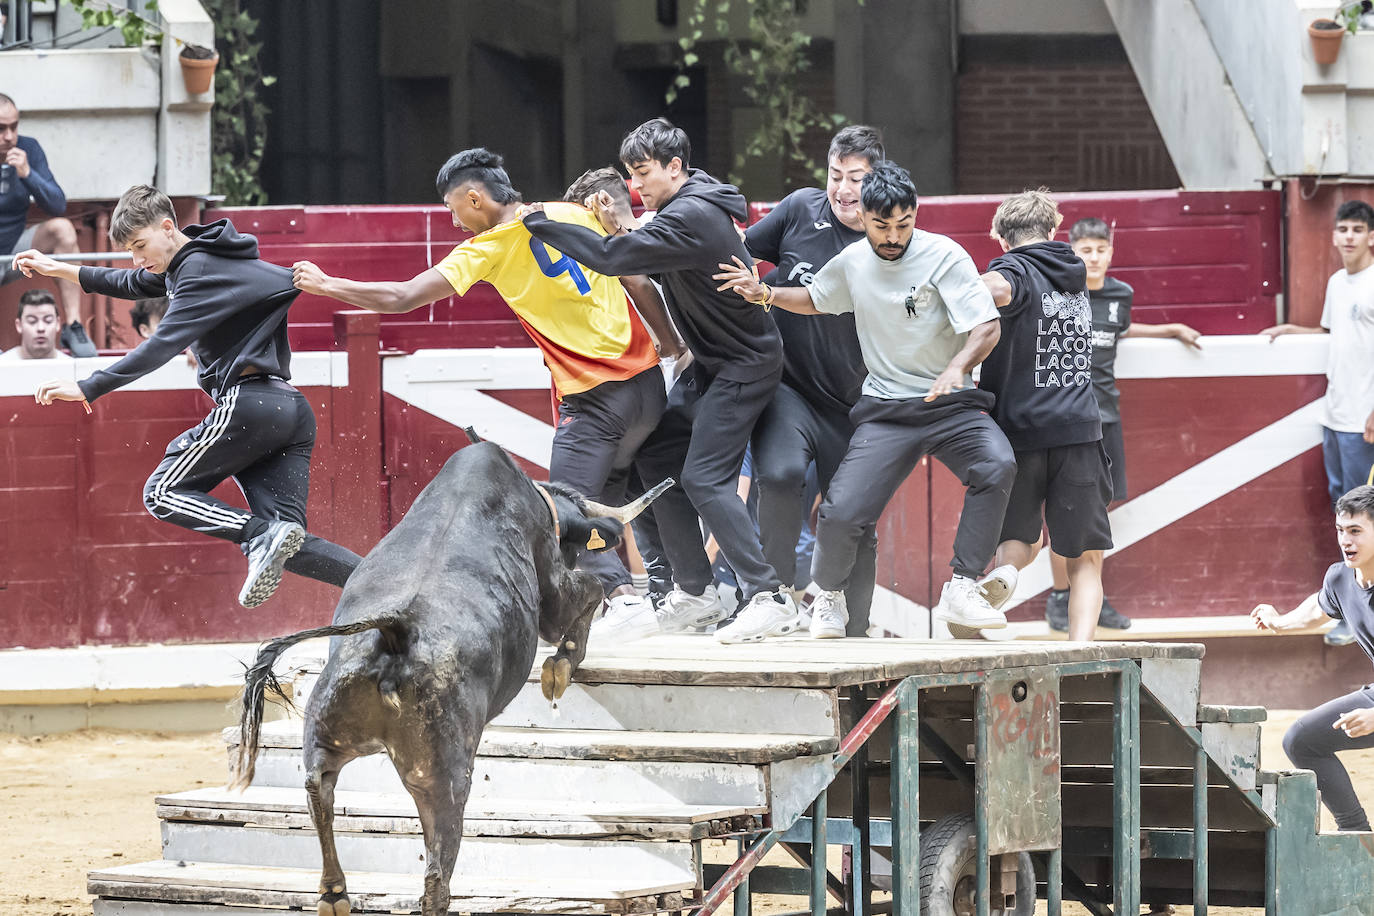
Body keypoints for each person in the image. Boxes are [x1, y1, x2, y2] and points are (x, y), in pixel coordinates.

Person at [291, 149, 673, 626]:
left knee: (564, 513)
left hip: (594, 397)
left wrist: (329, 285)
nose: (454, 222)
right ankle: (673, 594)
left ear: (476, 198)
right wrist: (673, 345)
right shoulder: (572, 212)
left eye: (454, 209)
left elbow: (403, 296)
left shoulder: (489, 247)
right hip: (648, 384)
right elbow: (637, 279)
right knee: (625, 492)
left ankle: (621, 601)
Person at [14, 183, 362, 608]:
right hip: (288, 409)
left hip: (247, 404)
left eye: (141, 246)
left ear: (167, 227)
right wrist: (58, 268)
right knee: (289, 544)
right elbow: (129, 282)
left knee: (161, 493)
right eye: (131, 251)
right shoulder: (200, 261)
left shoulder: (196, 272)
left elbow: (160, 345)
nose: (139, 260)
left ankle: (257, 536)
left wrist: (89, 385)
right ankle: (383, 583)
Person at [521, 118, 797, 644]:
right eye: (629, 174)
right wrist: (623, 230)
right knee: (654, 452)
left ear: (675, 167)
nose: (635, 185)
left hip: (744, 365)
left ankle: (769, 596)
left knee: (705, 477)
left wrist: (540, 223)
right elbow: (639, 248)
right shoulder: (686, 205)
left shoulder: (689, 214)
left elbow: (610, 259)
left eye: (643, 172)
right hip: (712, 363)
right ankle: (695, 592)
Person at [716, 161, 1018, 638]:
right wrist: (767, 293)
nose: (894, 236)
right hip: (888, 410)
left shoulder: (945, 255)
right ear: (864, 217)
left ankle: (963, 586)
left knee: (997, 464)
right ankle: (829, 597)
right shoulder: (854, 261)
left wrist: (959, 365)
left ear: (915, 215)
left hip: (949, 403)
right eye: (883, 226)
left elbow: (987, 324)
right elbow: (816, 298)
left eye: (904, 224)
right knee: (840, 513)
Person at [741, 125, 883, 637]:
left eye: (857, 179)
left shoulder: (887, 236)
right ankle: (773, 595)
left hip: (856, 400)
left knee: (853, 516)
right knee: (778, 475)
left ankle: (855, 624)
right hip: (788, 387)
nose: (843, 189)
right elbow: (736, 251)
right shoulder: (801, 208)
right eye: (835, 176)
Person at [1043, 217, 1203, 633]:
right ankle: (1063, 599)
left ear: (1111, 252)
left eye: (1100, 250)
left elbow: (1119, 331)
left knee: (1098, 512)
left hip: (1106, 416)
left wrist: (1169, 329)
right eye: (1085, 250)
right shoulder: (1058, 291)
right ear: (1072, 251)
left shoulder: (1121, 295)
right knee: (1062, 512)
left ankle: (1087, 596)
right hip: (1064, 417)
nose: (1093, 258)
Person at [979, 189, 1113, 642]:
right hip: (1078, 431)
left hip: (1020, 432)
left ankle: (1007, 576)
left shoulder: (1011, 269)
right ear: (1053, 231)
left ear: (1000, 237)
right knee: (1085, 559)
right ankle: (1081, 650)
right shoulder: (1075, 273)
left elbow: (996, 288)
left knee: (1019, 541)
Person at [1262, 199, 1374, 647]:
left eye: (1356, 229)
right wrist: (1294, 330)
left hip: (1363, 420)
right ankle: (1348, 608)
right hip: (1336, 415)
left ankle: (1357, 614)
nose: (1348, 236)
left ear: (1372, 237)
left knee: (1364, 519)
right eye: (1342, 228)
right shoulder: (1336, 283)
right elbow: (1335, 336)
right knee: (1345, 513)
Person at [1251, 484, 1374, 832]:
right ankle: (1355, 833)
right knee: (1301, 741)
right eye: (1340, 530)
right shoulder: (1341, 578)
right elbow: (1318, 608)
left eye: (1356, 531)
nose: (1346, 540)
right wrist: (1279, 622)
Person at [0, 93, 94, 355]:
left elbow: (57, 204)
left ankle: (73, 327)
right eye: (1, 129)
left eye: (14, 127)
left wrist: (28, 174)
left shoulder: (28, 149)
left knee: (62, 228)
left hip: (15, 251)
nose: (9, 136)